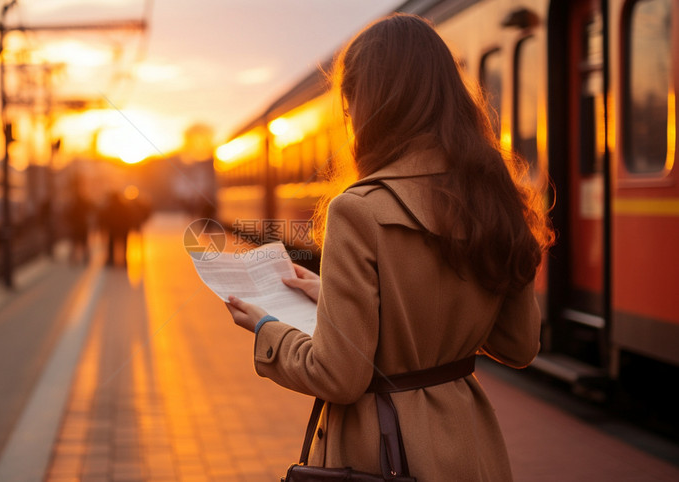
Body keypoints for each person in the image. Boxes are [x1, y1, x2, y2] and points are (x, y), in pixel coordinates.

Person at [225, 14, 553, 480]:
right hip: (472, 449)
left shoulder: (358, 210)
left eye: (350, 104)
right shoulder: (496, 197)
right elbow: (519, 344)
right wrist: (332, 298)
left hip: (387, 454)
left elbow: (338, 375)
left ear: (371, 104)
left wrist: (268, 331)